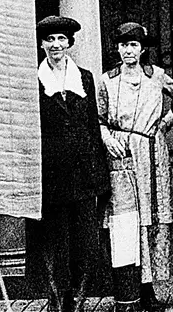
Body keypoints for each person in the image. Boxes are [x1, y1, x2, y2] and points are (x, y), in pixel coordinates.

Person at [97, 22, 173, 312]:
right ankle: (130, 289)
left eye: (134, 45)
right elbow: (98, 118)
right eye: (124, 45)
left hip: (152, 153)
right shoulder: (107, 80)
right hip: (121, 155)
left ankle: (149, 289)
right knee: (127, 223)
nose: (128, 51)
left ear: (142, 48)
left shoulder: (157, 76)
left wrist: (163, 126)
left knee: (151, 220)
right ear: (117, 48)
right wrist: (107, 139)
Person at [26, 16, 110, 312]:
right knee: (55, 241)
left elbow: (92, 124)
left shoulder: (84, 78)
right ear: (41, 44)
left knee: (84, 242)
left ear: (70, 44)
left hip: (84, 173)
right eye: (50, 40)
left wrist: (99, 174)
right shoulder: (32, 80)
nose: (56, 45)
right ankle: (57, 299)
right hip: (51, 175)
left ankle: (78, 296)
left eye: (62, 39)